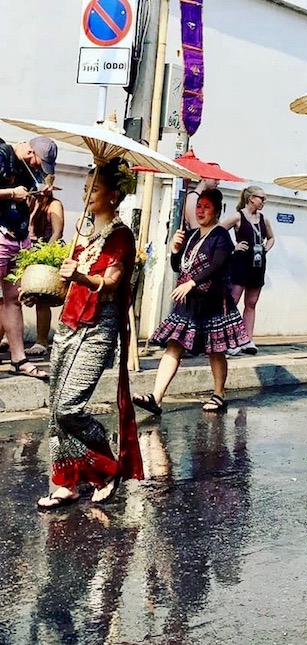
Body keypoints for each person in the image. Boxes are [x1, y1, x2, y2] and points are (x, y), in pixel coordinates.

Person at [36, 157, 143, 509]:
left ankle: (107, 467)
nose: (87, 195)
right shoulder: (87, 235)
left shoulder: (121, 237)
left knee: (68, 408)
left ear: (113, 195)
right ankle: (65, 483)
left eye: (93, 189)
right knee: (55, 411)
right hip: (68, 324)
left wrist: (81, 276)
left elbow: (111, 283)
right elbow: (69, 288)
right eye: (85, 189)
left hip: (98, 328)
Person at [134, 189, 250, 415]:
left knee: (215, 350)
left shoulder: (221, 236)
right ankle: (156, 397)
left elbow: (216, 265)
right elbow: (180, 266)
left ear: (217, 210)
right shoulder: (191, 236)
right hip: (188, 303)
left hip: (213, 302)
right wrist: (175, 250)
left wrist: (192, 283)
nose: (201, 211)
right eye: (199, 206)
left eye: (207, 207)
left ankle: (219, 394)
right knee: (174, 345)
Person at [0, 136, 58, 379]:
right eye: (38, 163)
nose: (37, 168)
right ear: (31, 151)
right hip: (1, 234)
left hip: (18, 239)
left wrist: (38, 192)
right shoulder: (3, 155)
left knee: (14, 299)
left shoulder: (26, 169)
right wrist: (12, 193)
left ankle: (18, 359)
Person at [222, 185, 275, 355]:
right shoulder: (238, 216)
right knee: (232, 301)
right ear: (251, 198)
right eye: (261, 198)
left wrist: (265, 248)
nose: (263, 202)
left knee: (251, 303)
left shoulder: (263, 219)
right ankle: (228, 339)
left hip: (257, 263)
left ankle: (247, 339)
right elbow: (219, 232)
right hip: (240, 262)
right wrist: (233, 246)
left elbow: (271, 237)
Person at [27, 183, 65, 356]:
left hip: (43, 251)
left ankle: (41, 340)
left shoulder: (53, 204)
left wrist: (44, 255)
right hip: (24, 250)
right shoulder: (31, 201)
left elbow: (57, 232)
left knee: (42, 297)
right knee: (12, 297)